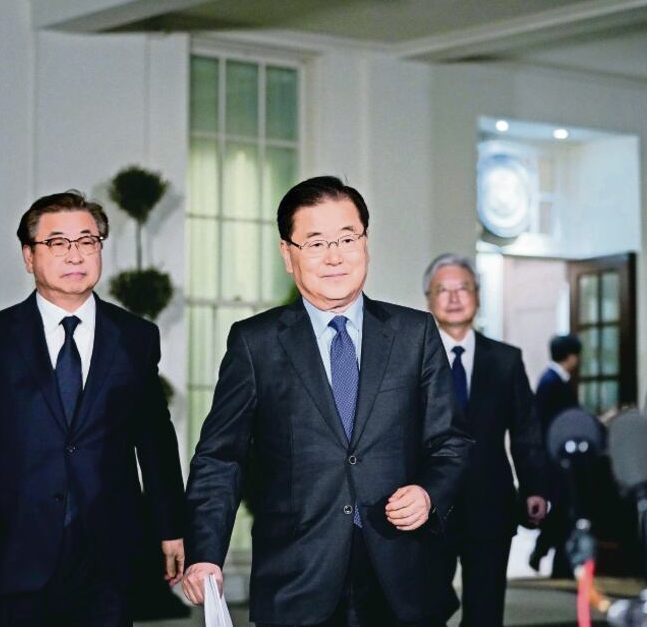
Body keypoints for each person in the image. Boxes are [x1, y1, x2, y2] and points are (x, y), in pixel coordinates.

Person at [182, 177, 472, 626]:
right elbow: (221, 459)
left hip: (403, 576)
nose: (335, 256)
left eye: (347, 239)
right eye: (316, 243)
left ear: (366, 243)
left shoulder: (414, 334)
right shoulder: (256, 344)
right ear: (287, 254)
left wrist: (428, 493)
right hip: (297, 578)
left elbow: (450, 443)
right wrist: (205, 553)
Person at [0, 191, 186, 626]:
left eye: (87, 241)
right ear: (29, 256)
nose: (75, 254)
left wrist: (171, 527)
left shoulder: (136, 337)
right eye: (57, 242)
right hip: (16, 552)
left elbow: (155, 441)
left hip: (109, 557)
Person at [423, 253, 548, 626]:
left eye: (463, 288)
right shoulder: (414, 357)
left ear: (477, 296)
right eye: (443, 290)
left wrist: (534, 487)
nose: (454, 298)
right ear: (429, 299)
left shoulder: (506, 360)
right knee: (424, 609)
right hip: (428, 505)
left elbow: (525, 430)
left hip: (490, 504)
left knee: (486, 611)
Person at [529, 334, 582, 578]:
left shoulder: (553, 380)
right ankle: (556, 562)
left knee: (561, 509)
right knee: (563, 509)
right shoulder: (551, 382)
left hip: (556, 456)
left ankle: (545, 553)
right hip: (555, 458)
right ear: (571, 356)